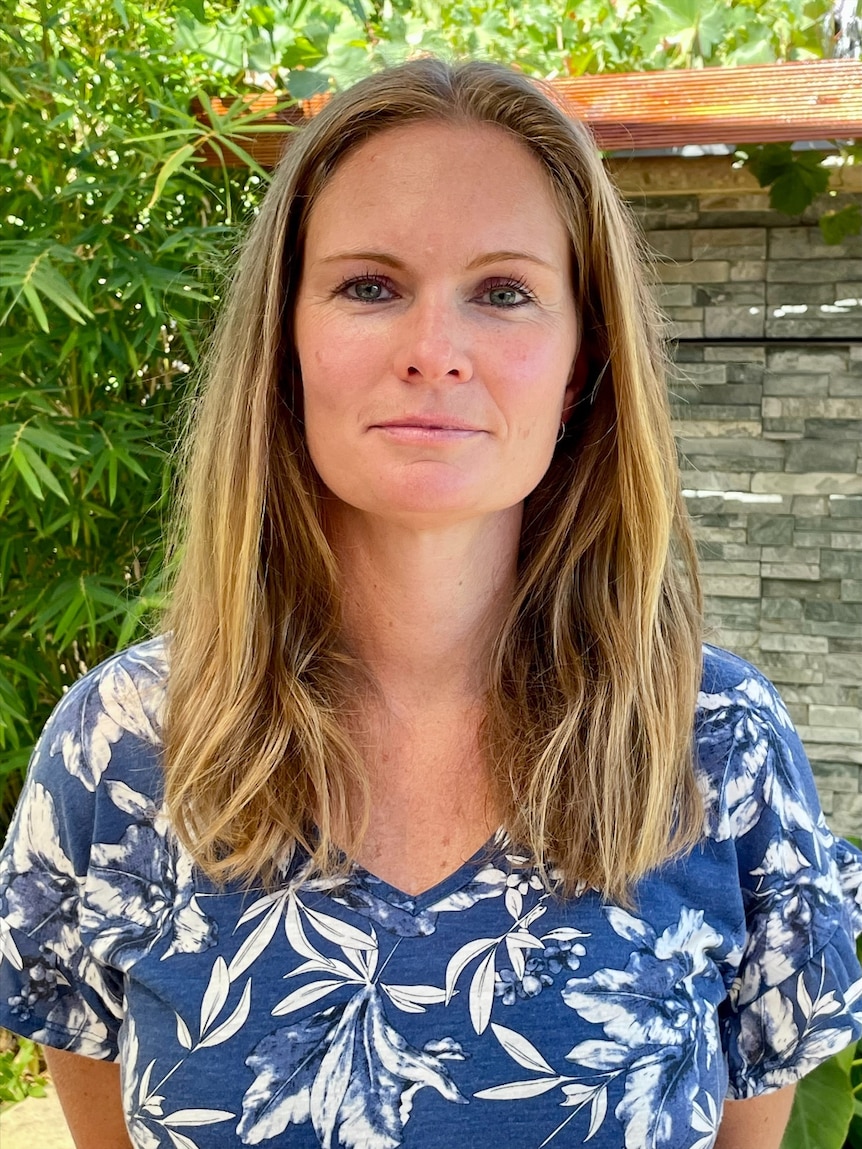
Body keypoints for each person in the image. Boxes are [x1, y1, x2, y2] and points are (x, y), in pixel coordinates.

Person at [1, 58, 860, 1149]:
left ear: (579, 361)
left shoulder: (716, 747)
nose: (434, 353)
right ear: (285, 339)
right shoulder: (123, 749)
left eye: (503, 292)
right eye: (369, 285)